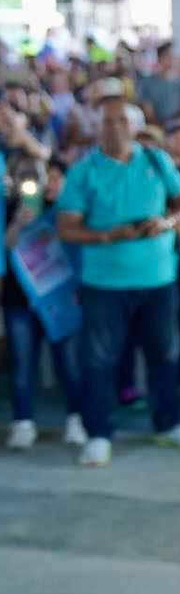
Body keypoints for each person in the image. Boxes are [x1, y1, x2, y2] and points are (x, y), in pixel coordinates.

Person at [56, 79, 180, 467]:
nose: (114, 128)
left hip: (158, 279)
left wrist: (168, 222)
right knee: (99, 360)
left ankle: (168, 423)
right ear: (96, 126)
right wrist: (109, 235)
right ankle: (98, 433)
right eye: (106, 121)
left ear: (136, 126)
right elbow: (67, 227)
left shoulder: (157, 161)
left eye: (122, 121)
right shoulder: (83, 171)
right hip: (104, 283)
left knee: (165, 354)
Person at [5, 158, 86, 450]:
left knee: (69, 364)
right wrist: (18, 222)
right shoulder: (14, 206)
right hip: (20, 300)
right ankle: (23, 423)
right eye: (43, 178)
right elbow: (9, 246)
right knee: (23, 364)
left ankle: (77, 420)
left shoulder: (71, 211)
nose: (47, 184)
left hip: (60, 299)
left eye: (54, 178)